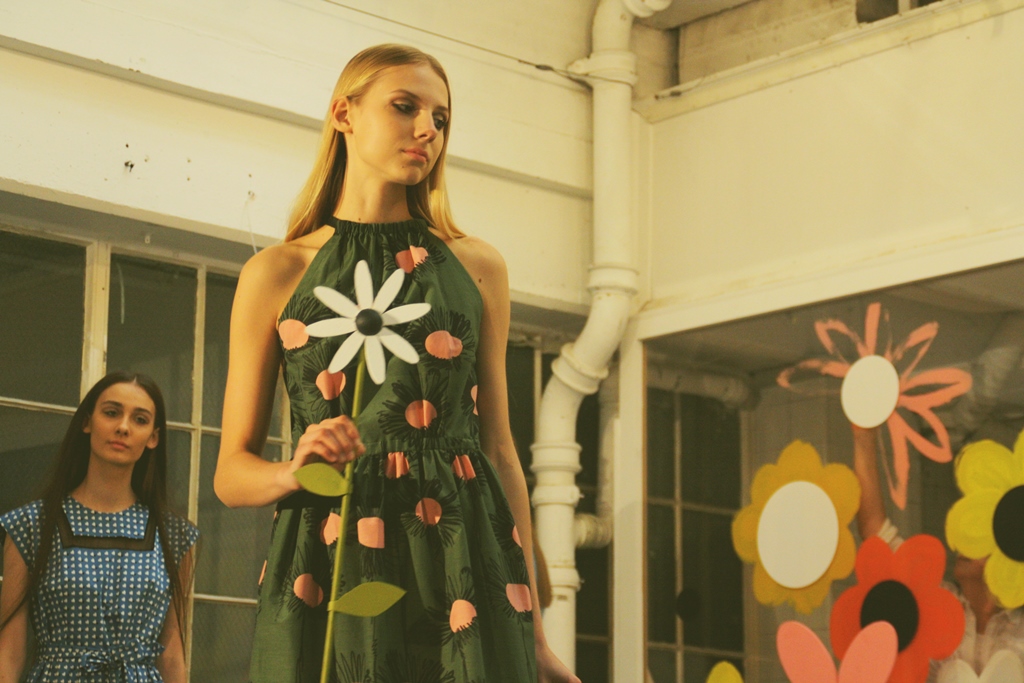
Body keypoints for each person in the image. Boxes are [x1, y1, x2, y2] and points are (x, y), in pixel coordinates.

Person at [213, 44, 580, 683]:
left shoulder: (476, 267)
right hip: (333, 550)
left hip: (461, 549)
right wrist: (295, 471)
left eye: (440, 118)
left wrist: (537, 635)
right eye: (405, 107)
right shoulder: (277, 272)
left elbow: (499, 451)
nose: (427, 130)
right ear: (344, 114)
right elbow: (230, 475)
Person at [0, 371, 199, 683]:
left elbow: (172, 656)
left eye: (140, 419)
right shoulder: (31, 525)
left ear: (153, 437)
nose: (123, 427)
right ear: (87, 422)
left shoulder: (174, 536)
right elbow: (10, 653)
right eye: (111, 413)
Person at [852, 425, 1024, 680]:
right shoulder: (935, 605)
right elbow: (874, 533)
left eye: (980, 537)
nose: (964, 544)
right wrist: (864, 437)